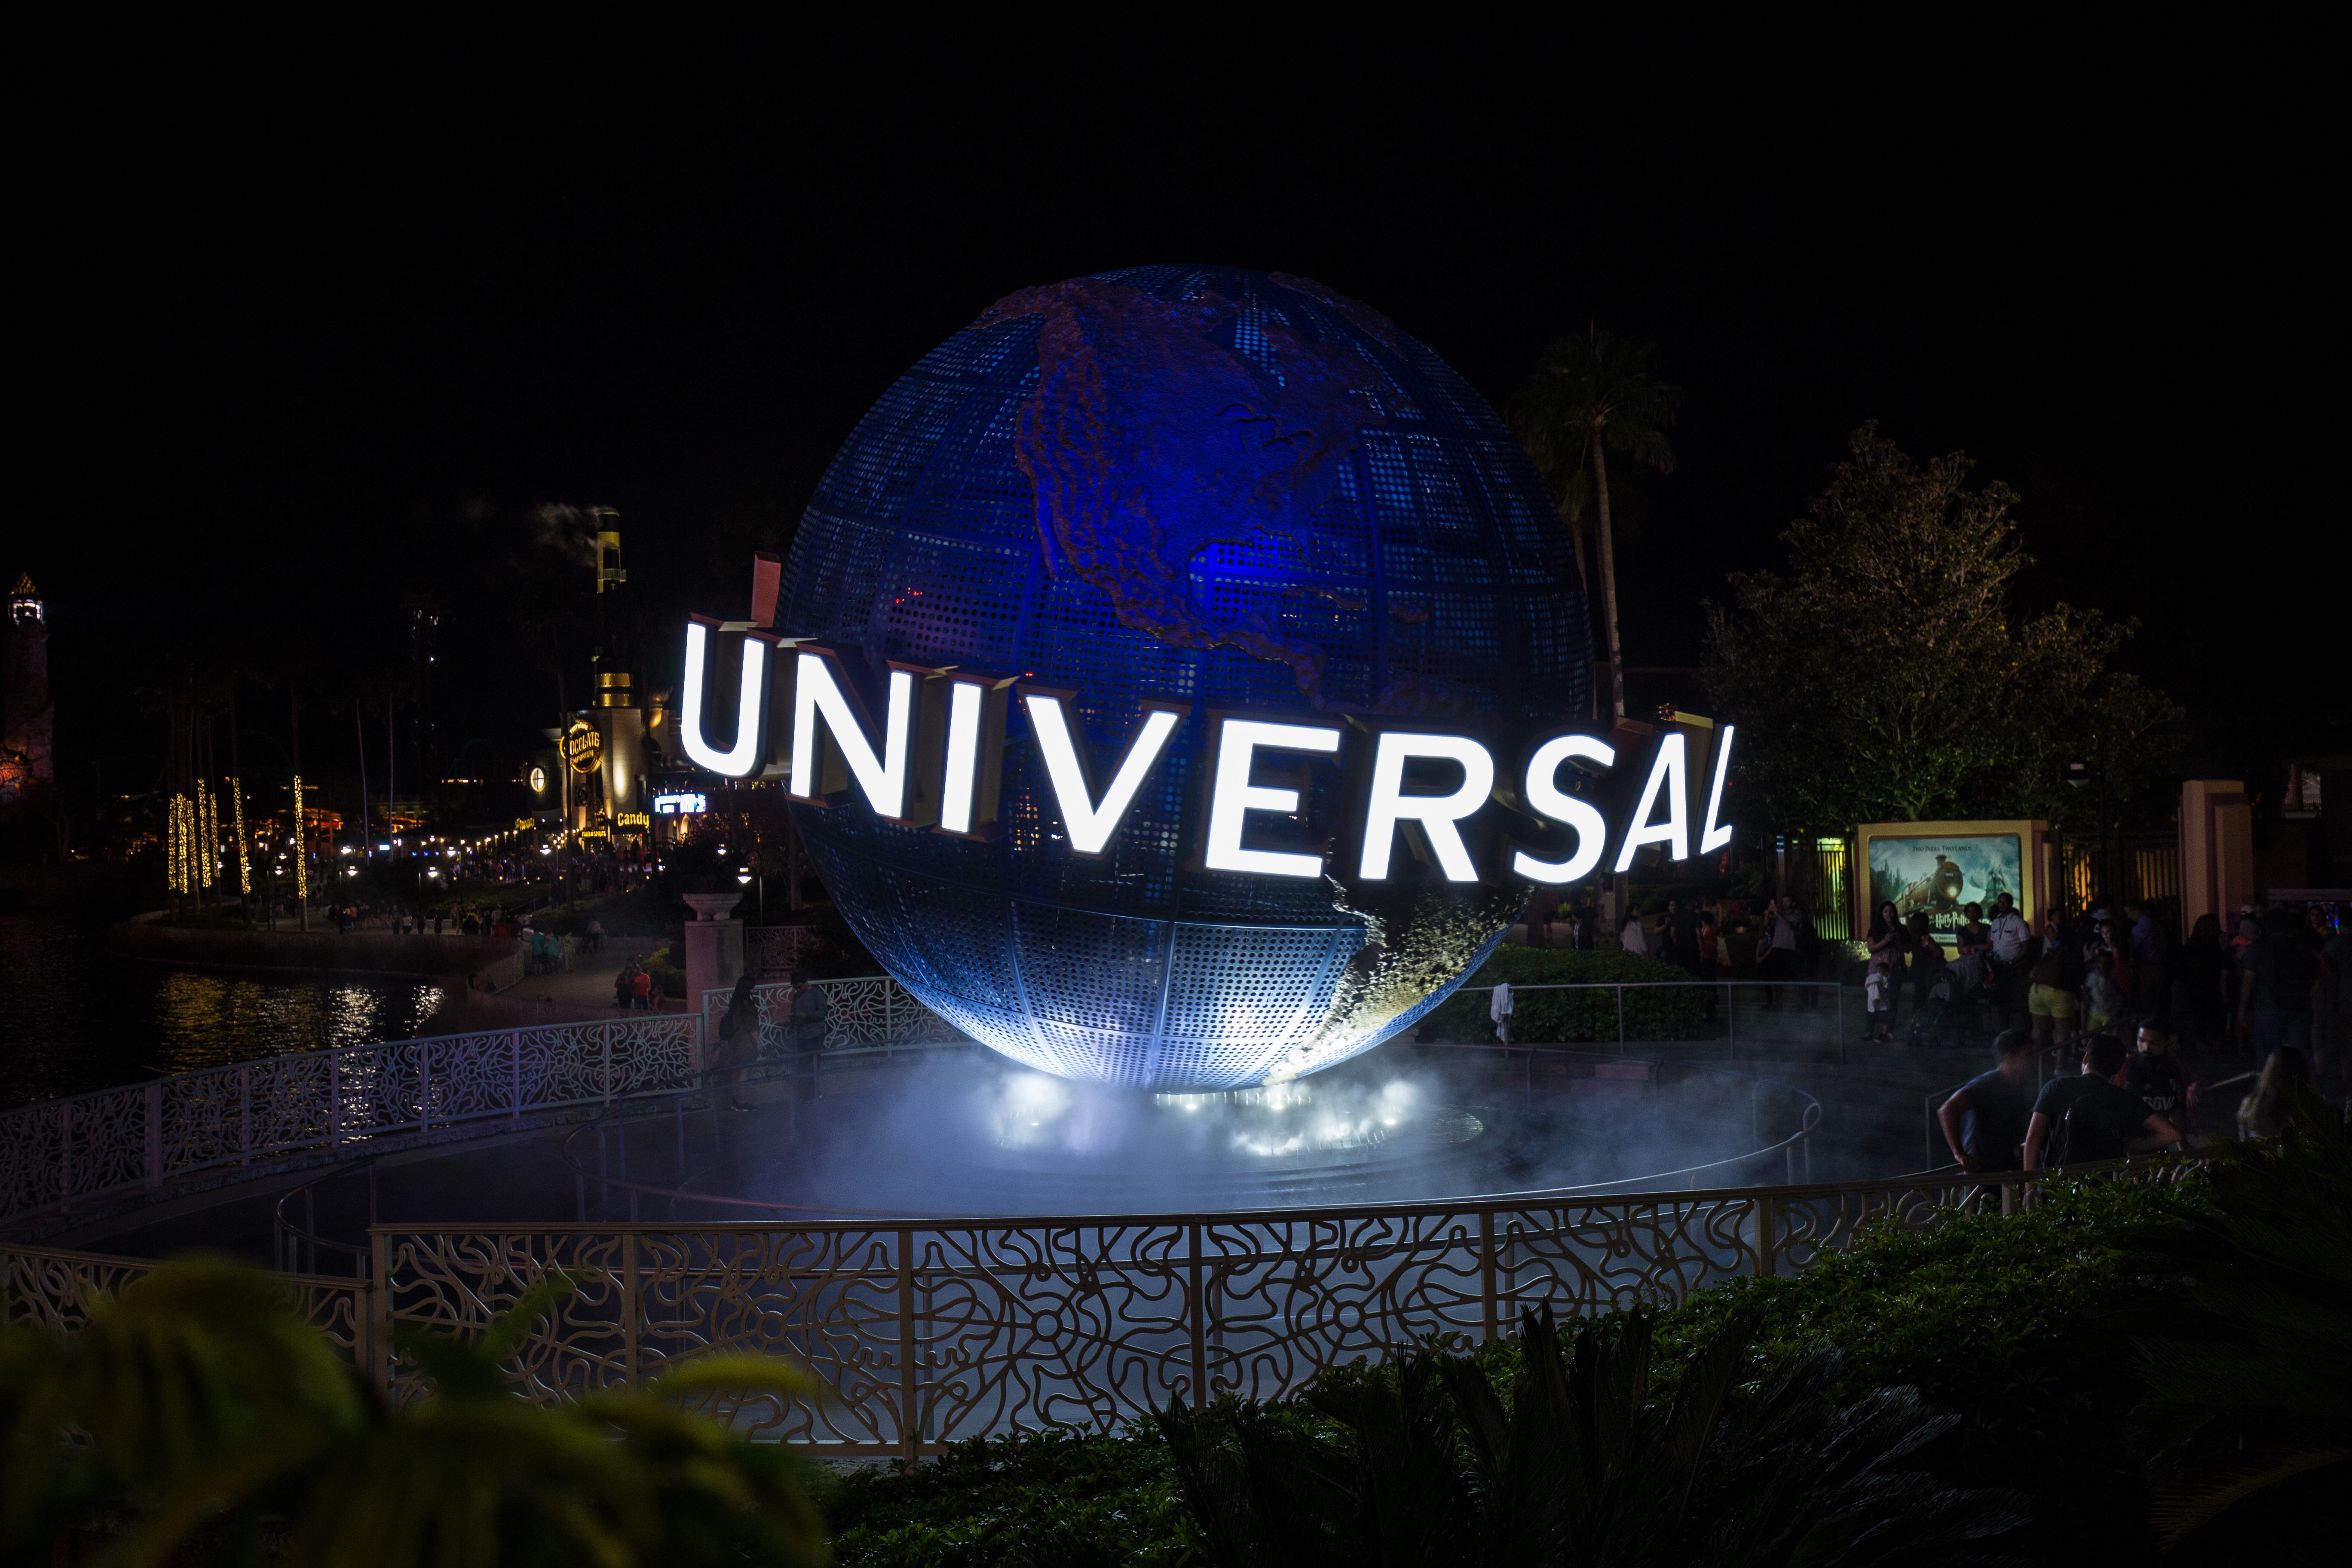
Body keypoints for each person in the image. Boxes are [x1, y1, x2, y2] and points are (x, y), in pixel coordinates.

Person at [2024, 1034, 2182, 1169]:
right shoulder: (2122, 1098)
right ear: (2118, 1069)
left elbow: (2034, 1138)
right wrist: (2128, 1146)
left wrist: (2030, 1189)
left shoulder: (2056, 1087)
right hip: (2102, 1189)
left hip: (2058, 1185)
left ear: (2086, 1057)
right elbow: (2172, 1134)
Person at [1937, 1029, 2037, 1171]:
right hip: (1981, 1168)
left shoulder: (2018, 1085)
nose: (2034, 1060)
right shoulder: (1987, 1083)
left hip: (2004, 1165)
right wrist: (1959, 1153)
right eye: (2028, 1055)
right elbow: (1947, 1110)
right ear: (2010, 1058)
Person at [2237, 907, 2318, 1071]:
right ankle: (2299, 1092)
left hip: (2268, 1006)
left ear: (2266, 927)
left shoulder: (2259, 948)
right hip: (2299, 1007)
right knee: (2299, 1057)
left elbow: (2248, 980)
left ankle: (2267, 1093)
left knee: (2267, 1058)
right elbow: (2315, 976)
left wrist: (2242, 1008)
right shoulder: (2301, 948)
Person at [2122, 1017, 2199, 1122]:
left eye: (2154, 1043)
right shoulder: (2127, 1069)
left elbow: (2176, 1111)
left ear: (2165, 1044)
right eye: (2142, 1041)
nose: (2146, 1048)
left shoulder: (2173, 1071)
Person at [2026, 929, 2082, 1050]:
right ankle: (2059, 1068)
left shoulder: (2051, 952)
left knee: (2037, 1030)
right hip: (2061, 993)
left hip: (2037, 991)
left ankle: (2032, 1064)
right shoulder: (2074, 955)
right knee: (2062, 1033)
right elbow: (2077, 980)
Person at [714, 972, 760, 1111]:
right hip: (745, 1042)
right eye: (753, 988)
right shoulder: (748, 1004)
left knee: (737, 1072)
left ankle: (735, 1103)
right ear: (748, 989)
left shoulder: (735, 1002)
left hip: (734, 1041)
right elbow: (752, 1026)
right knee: (744, 1072)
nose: (755, 990)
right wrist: (759, 1044)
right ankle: (742, 1103)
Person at [787, 969, 830, 1102]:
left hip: (815, 1034)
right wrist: (794, 1017)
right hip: (802, 1035)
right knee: (803, 1065)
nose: (798, 990)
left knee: (813, 1065)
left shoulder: (817, 993)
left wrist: (808, 1016)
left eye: (800, 987)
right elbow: (794, 1010)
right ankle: (809, 1093)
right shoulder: (797, 996)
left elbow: (823, 1012)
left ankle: (815, 1093)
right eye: (795, 988)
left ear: (807, 982)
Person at [1760, 897, 1800, 1009]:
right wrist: (1769, 912)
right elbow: (1765, 925)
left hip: (1790, 949)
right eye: (1783, 902)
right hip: (1778, 948)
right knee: (1778, 977)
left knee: (1794, 977)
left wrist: (1779, 915)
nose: (1785, 904)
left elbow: (1791, 926)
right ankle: (1779, 1003)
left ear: (1793, 903)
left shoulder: (1795, 916)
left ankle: (1799, 1002)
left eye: (1787, 901)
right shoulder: (1778, 916)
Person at [2081, 950, 2123, 1038]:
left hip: (2109, 1012)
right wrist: (2086, 1001)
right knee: (2093, 1037)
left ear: (2110, 965)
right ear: (2097, 964)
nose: (2103, 965)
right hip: (2094, 1011)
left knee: (2107, 1038)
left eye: (2106, 963)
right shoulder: (2092, 976)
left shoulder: (2113, 977)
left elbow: (2118, 992)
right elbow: (2086, 990)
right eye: (2101, 962)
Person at [1987, 894, 2030, 967]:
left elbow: (2026, 946)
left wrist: (2012, 962)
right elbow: (1993, 944)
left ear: (2011, 903)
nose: (2002, 905)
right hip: (1996, 964)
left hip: (2013, 966)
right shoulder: (1995, 922)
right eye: (2000, 902)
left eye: (2005, 902)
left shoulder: (2019, 922)